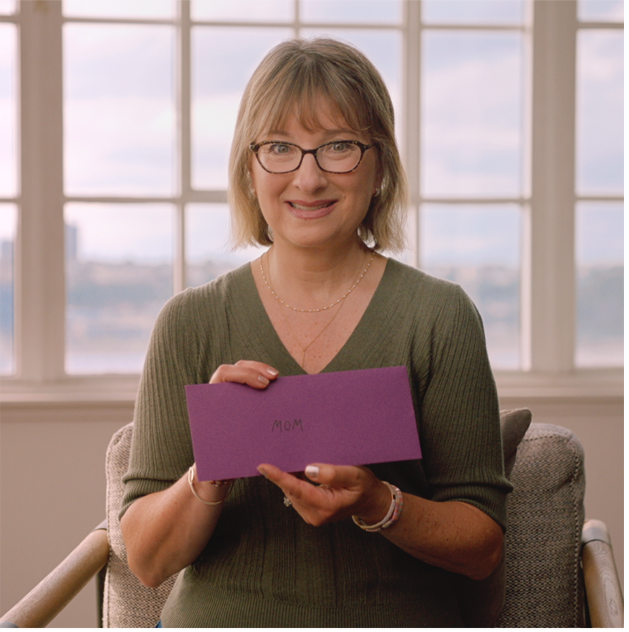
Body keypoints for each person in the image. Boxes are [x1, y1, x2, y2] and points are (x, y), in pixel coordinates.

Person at [120, 37, 512, 630]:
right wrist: (214, 465)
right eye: (280, 147)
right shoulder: (189, 322)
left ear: (379, 165)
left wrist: (381, 504)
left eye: (338, 148)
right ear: (249, 170)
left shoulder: (440, 316)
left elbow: (482, 548)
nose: (308, 178)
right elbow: (147, 563)